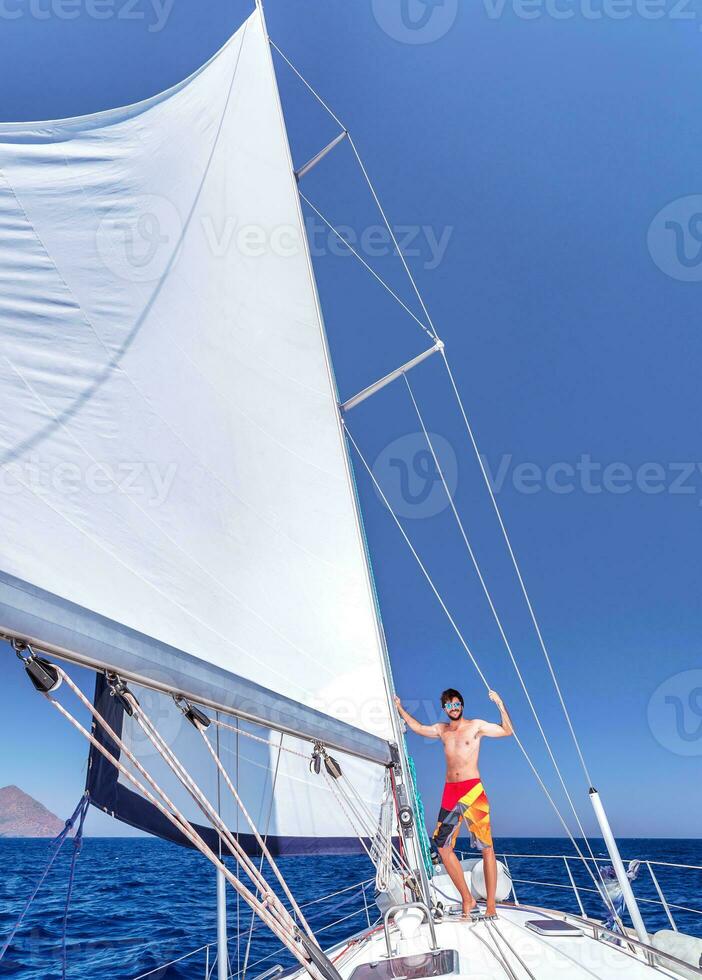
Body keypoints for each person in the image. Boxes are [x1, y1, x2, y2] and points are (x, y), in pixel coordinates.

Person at [394, 688, 513, 920]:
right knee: (442, 847)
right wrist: (398, 706)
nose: (454, 708)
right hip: (450, 793)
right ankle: (467, 898)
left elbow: (508, 730)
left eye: (457, 703)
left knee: (486, 847)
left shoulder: (476, 726)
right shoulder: (442, 730)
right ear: (444, 709)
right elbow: (418, 728)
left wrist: (499, 703)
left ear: (462, 705)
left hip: (472, 791)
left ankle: (490, 906)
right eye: (449, 705)